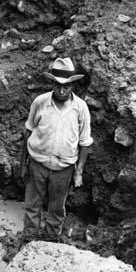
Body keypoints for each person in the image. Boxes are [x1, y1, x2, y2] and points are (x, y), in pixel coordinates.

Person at [20, 57, 93, 243]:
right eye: (57, 85)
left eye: (66, 86)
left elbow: (85, 142)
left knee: (56, 208)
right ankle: (28, 242)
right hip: (38, 163)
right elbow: (28, 132)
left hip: (64, 167)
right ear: (51, 83)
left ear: (73, 85)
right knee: (32, 205)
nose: (61, 90)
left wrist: (79, 172)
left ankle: (50, 243)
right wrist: (23, 164)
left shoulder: (81, 108)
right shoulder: (40, 102)